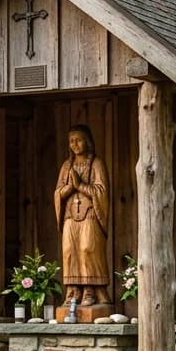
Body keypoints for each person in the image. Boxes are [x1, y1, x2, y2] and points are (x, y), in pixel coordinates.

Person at [54, 125, 112, 306]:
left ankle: (90, 289)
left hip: (90, 214)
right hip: (70, 216)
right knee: (69, 251)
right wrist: (69, 188)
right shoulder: (67, 165)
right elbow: (57, 192)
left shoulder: (96, 163)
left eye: (78, 140)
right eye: (71, 141)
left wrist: (80, 186)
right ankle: (73, 290)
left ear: (87, 141)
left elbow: (101, 191)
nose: (75, 144)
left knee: (88, 248)